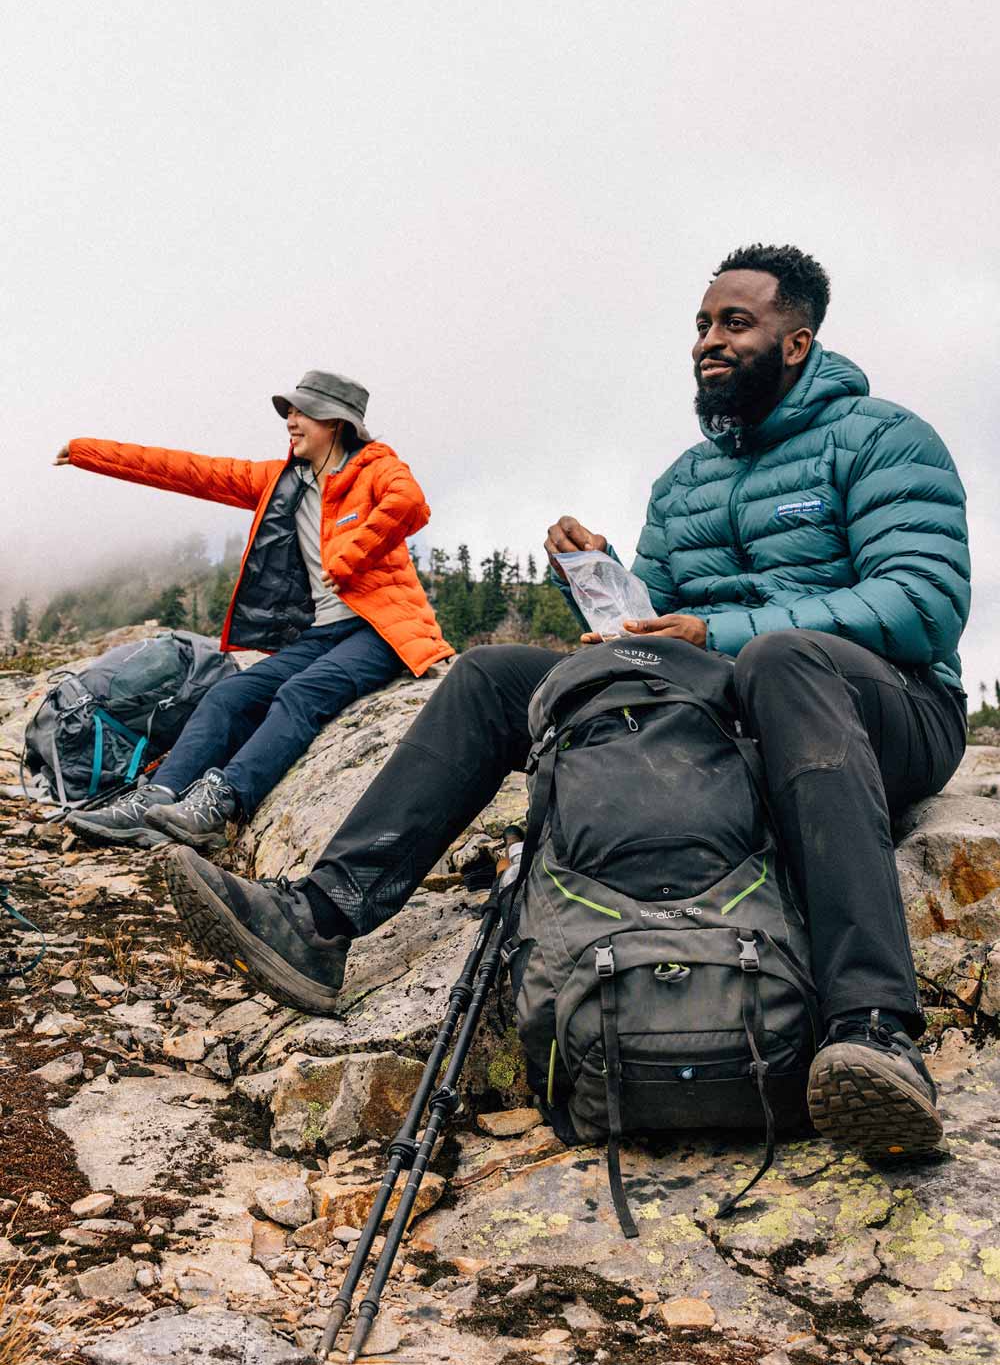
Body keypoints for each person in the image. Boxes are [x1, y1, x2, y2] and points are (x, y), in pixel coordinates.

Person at [163, 250, 970, 1160]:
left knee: (784, 660)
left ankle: (873, 1028)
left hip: (881, 707)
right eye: (702, 326)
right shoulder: (687, 481)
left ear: (797, 341)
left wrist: (723, 635)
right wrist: (607, 586)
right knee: (494, 675)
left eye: (734, 325)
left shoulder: (884, 439)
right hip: (738, 704)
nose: (709, 342)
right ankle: (321, 919)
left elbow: (923, 603)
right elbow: (654, 627)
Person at [56, 370, 453, 849]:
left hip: (381, 631)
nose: (290, 419)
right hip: (322, 632)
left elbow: (410, 503)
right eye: (289, 410)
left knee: (302, 693)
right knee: (230, 694)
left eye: (301, 411)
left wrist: (352, 556)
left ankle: (220, 802)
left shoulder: (377, 468)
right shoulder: (280, 481)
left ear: (336, 422)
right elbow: (188, 470)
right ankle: (153, 800)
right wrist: (87, 453)